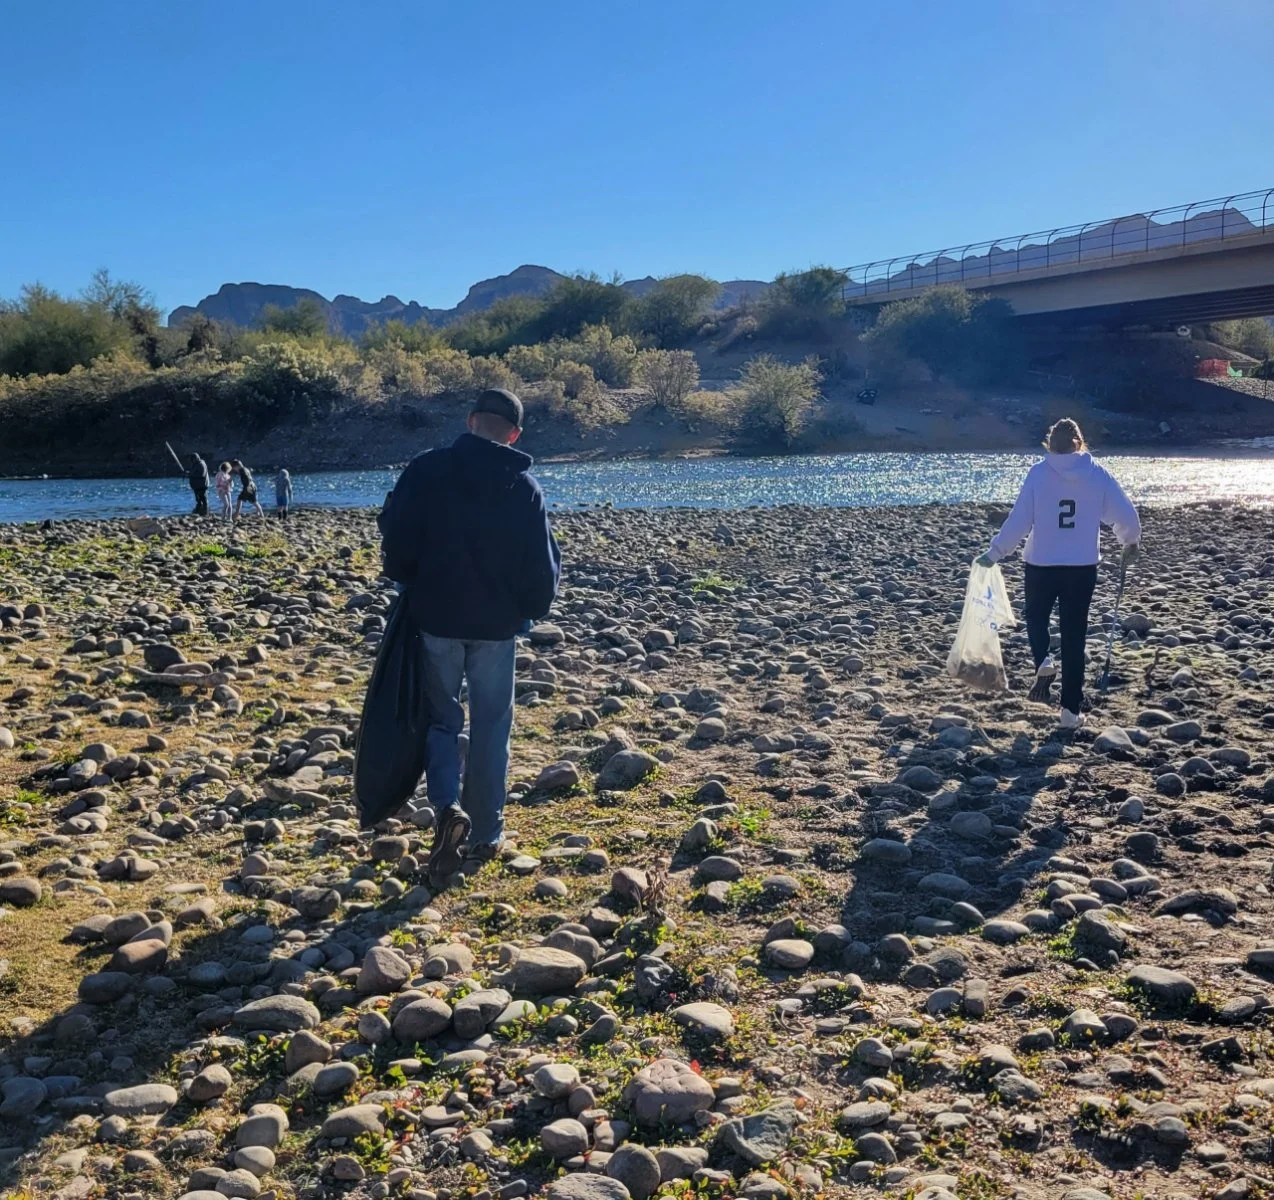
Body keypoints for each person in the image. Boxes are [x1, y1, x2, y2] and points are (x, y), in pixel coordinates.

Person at [378, 388, 561, 884]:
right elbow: (541, 566)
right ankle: (485, 832)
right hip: (496, 628)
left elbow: (397, 539)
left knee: (441, 721)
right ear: (514, 435)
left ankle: (446, 807)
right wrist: (530, 611)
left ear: (471, 420)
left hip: (436, 618)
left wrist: (408, 582)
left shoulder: (426, 469)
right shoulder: (524, 486)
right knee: (492, 726)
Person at [976, 418, 1141, 729]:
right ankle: (1069, 712)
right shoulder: (1097, 475)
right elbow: (1127, 517)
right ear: (1079, 443)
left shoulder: (1038, 474)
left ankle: (1043, 661)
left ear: (1049, 445)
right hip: (1081, 567)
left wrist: (995, 552)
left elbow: (1019, 520)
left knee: (1036, 618)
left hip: (1041, 564)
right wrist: (1129, 542)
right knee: (1074, 637)